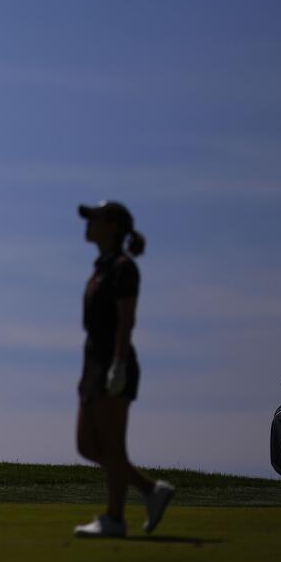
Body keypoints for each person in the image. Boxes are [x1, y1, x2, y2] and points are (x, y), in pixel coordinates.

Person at [74, 200, 174, 538]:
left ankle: (114, 518)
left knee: (113, 445)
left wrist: (116, 363)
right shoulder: (101, 267)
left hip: (114, 362)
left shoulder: (123, 267)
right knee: (87, 444)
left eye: (95, 219)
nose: (87, 224)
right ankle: (149, 490)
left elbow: (125, 321)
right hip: (93, 363)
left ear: (113, 226)